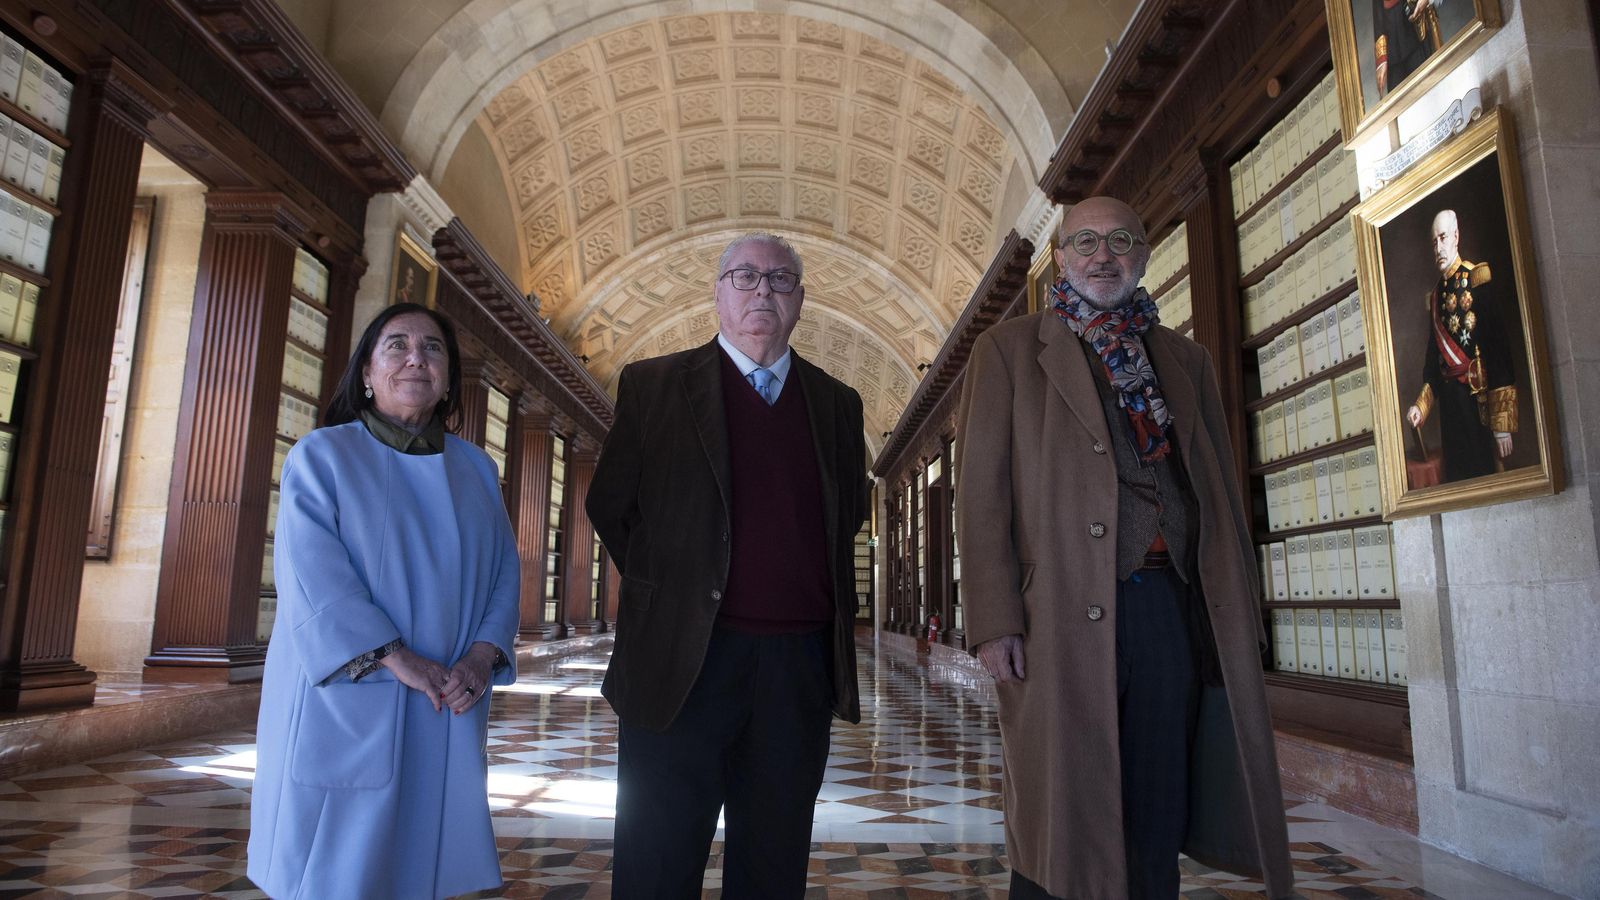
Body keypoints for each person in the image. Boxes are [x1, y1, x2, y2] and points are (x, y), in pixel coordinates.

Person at [955, 197, 1294, 899]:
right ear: (1061, 259)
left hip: (1171, 606)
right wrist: (992, 621)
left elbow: (1218, 491)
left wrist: (1236, 611)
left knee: (1156, 804)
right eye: (1085, 242)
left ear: (1142, 255)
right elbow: (981, 496)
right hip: (1054, 615)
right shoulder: (1008, 351)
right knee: (1060, 810)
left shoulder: (1185, 359)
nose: (1102, 256)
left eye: (1119, 242)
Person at [586, 232, 869, 899]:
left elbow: (848, 514)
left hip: (796, 670)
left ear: (800, 300)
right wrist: (675, 591)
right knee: (657, 858)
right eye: (744, 277)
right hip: (679, 661)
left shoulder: (838, 403)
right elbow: (611, 505)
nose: (762, 291)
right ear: (718, 294)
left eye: (780, 280)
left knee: (774, 861)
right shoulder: (654, 386)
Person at [248, 302, 520, 899]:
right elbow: (313, 574)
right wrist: (396, 657)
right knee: (338, 867)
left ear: (448, 378)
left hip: (449, 691)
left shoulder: (476, 468)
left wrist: (481, 656)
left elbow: (505, 569)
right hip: (355, 687)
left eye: (432, 348)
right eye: (397, 345)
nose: (416, 358)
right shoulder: (322, 456)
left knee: (423, 858)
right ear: (367, 372)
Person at [1406, 209, 1517, 481]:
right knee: (1458, 478)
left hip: (1477, 404)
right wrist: (1421, 407)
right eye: (1434, 242)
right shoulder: (1435, 297)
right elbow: (1433, 365)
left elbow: (1498, 352)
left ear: (1456, 236)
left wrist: (1501, 423)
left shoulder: (1476, 279)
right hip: (1450, 411)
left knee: (1485, 476)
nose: (1438, 248)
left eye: (1443, 238)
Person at [1372, 0, 1442, 97]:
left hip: (1414, 30)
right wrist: (1381, 60)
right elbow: (1378, 12)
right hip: (1392, 46)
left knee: (1427, 90)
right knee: (1397, 98)